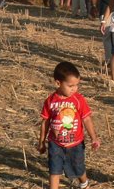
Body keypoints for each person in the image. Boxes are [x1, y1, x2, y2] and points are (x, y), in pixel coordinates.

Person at [39, 61, 101, 189]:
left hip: (75, 143)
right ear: (58, 83)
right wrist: (41, 141)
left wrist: (94, 137)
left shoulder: (78, 99)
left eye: (77, 85)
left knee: (78, 167)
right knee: (54, 169)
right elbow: (45, 122)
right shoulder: (50, 101)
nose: (74, 89)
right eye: (70, 85)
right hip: (55, 143)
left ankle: (84, 182)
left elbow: (87, 119)